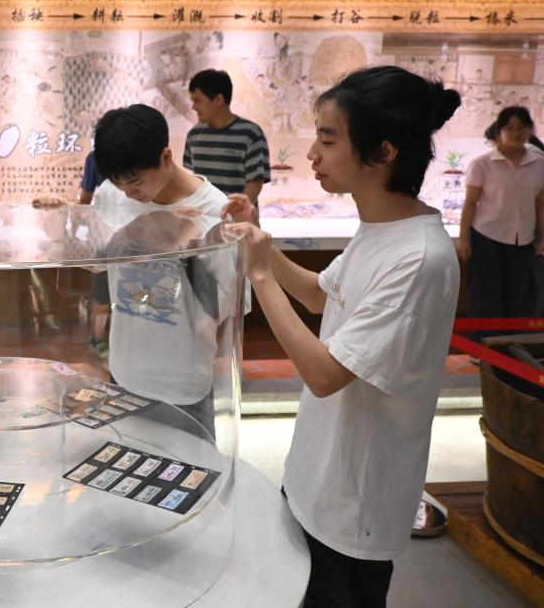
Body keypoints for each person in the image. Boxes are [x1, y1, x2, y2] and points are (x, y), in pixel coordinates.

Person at [225, 65, 462, 607]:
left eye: (328, 140)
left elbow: (324, 373)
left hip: (354, 506)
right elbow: (319, 295)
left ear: (383, 152)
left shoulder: (419, 257)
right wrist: (262, 245)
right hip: (316, 477)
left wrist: (259, 275)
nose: (312, 154)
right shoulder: (381, 230)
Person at [91, 104, 234, 437]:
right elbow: (99, 264)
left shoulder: (214, 209)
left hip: (183, 382)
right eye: (118, 183)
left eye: (135, 181)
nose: (129, 193)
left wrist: (187, 251)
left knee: (192, 467)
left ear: (166, 157)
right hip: (124, 373)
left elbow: (224, 308)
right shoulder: (111, 196)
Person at [457, 106, 544, 337]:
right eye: (509, 128)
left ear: (530, 130)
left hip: (523, 238)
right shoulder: (482, 164)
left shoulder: (539, 163)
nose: (516, 133)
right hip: (487, 235)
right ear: (499, 131)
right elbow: (470, 203)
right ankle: (482, 346)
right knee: (485, 293)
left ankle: (510, 346)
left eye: (522, 128)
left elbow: (541, 204)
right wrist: (463, 239)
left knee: (517, 295)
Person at [185, 68, 271, 206]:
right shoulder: (193, 135)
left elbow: (255, 181)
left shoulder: (250, 134)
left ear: (219, 100)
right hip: (203, 217)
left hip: (238, 218)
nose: (193, 107)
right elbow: (195, 180)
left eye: (197, 101)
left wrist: (236, 212)